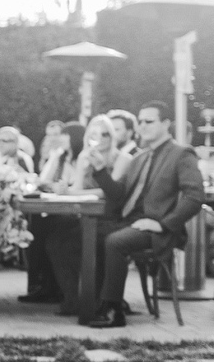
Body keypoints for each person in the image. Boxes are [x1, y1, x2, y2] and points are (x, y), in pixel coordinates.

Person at [85, 102, 205, 328]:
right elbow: (118, 196)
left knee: (115, 242)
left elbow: (195, 196)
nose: (142, 126)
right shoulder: (140, 157)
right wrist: (100, 169)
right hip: (131, 221)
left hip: (157, 228)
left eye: (148, 121)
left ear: (166, 124)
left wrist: (164, 224)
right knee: (87, 234)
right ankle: (90, 302)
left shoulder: (181, 154)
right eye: (140, 121)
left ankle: (114, 310)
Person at [44, 114, 132, 316]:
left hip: (112, 219)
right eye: (94, 134)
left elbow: (109, 195)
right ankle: (74, 298)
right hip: (88, 217)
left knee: (78, 242)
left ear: (113, 137)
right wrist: (77, 179)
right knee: (55, 240)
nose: (100, 139)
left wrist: (72, 192)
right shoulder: (84, 156)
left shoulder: (122, 158)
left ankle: (91, 300)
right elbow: (77, 189)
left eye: (105, 135)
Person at [21, 121, 84, 304]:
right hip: (58, 207)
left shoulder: (82, 158)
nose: (61, 143)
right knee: (37, 226)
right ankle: (42, 285)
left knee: (46, 229)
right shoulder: (59, 157)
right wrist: (54, 185)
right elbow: (43, 180)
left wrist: (65, 188)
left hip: (76, 211)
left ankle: (50, 288)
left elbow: (80, 187)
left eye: (65, 139)